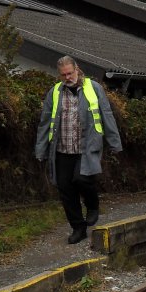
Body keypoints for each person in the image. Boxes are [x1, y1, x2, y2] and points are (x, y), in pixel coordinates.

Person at [35, 55, 122, 244]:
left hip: (86, 147)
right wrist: (41, 149)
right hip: (62, 150)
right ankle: (78, 228)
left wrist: (115, 142)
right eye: (63, 75)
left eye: (70, 73)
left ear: (77, 69)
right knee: (65, 189)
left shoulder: (93, 88)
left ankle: (92, 206)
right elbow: (44, 123)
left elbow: (107, 116)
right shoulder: (55, 93)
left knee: (82, 179)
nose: (67, 77)